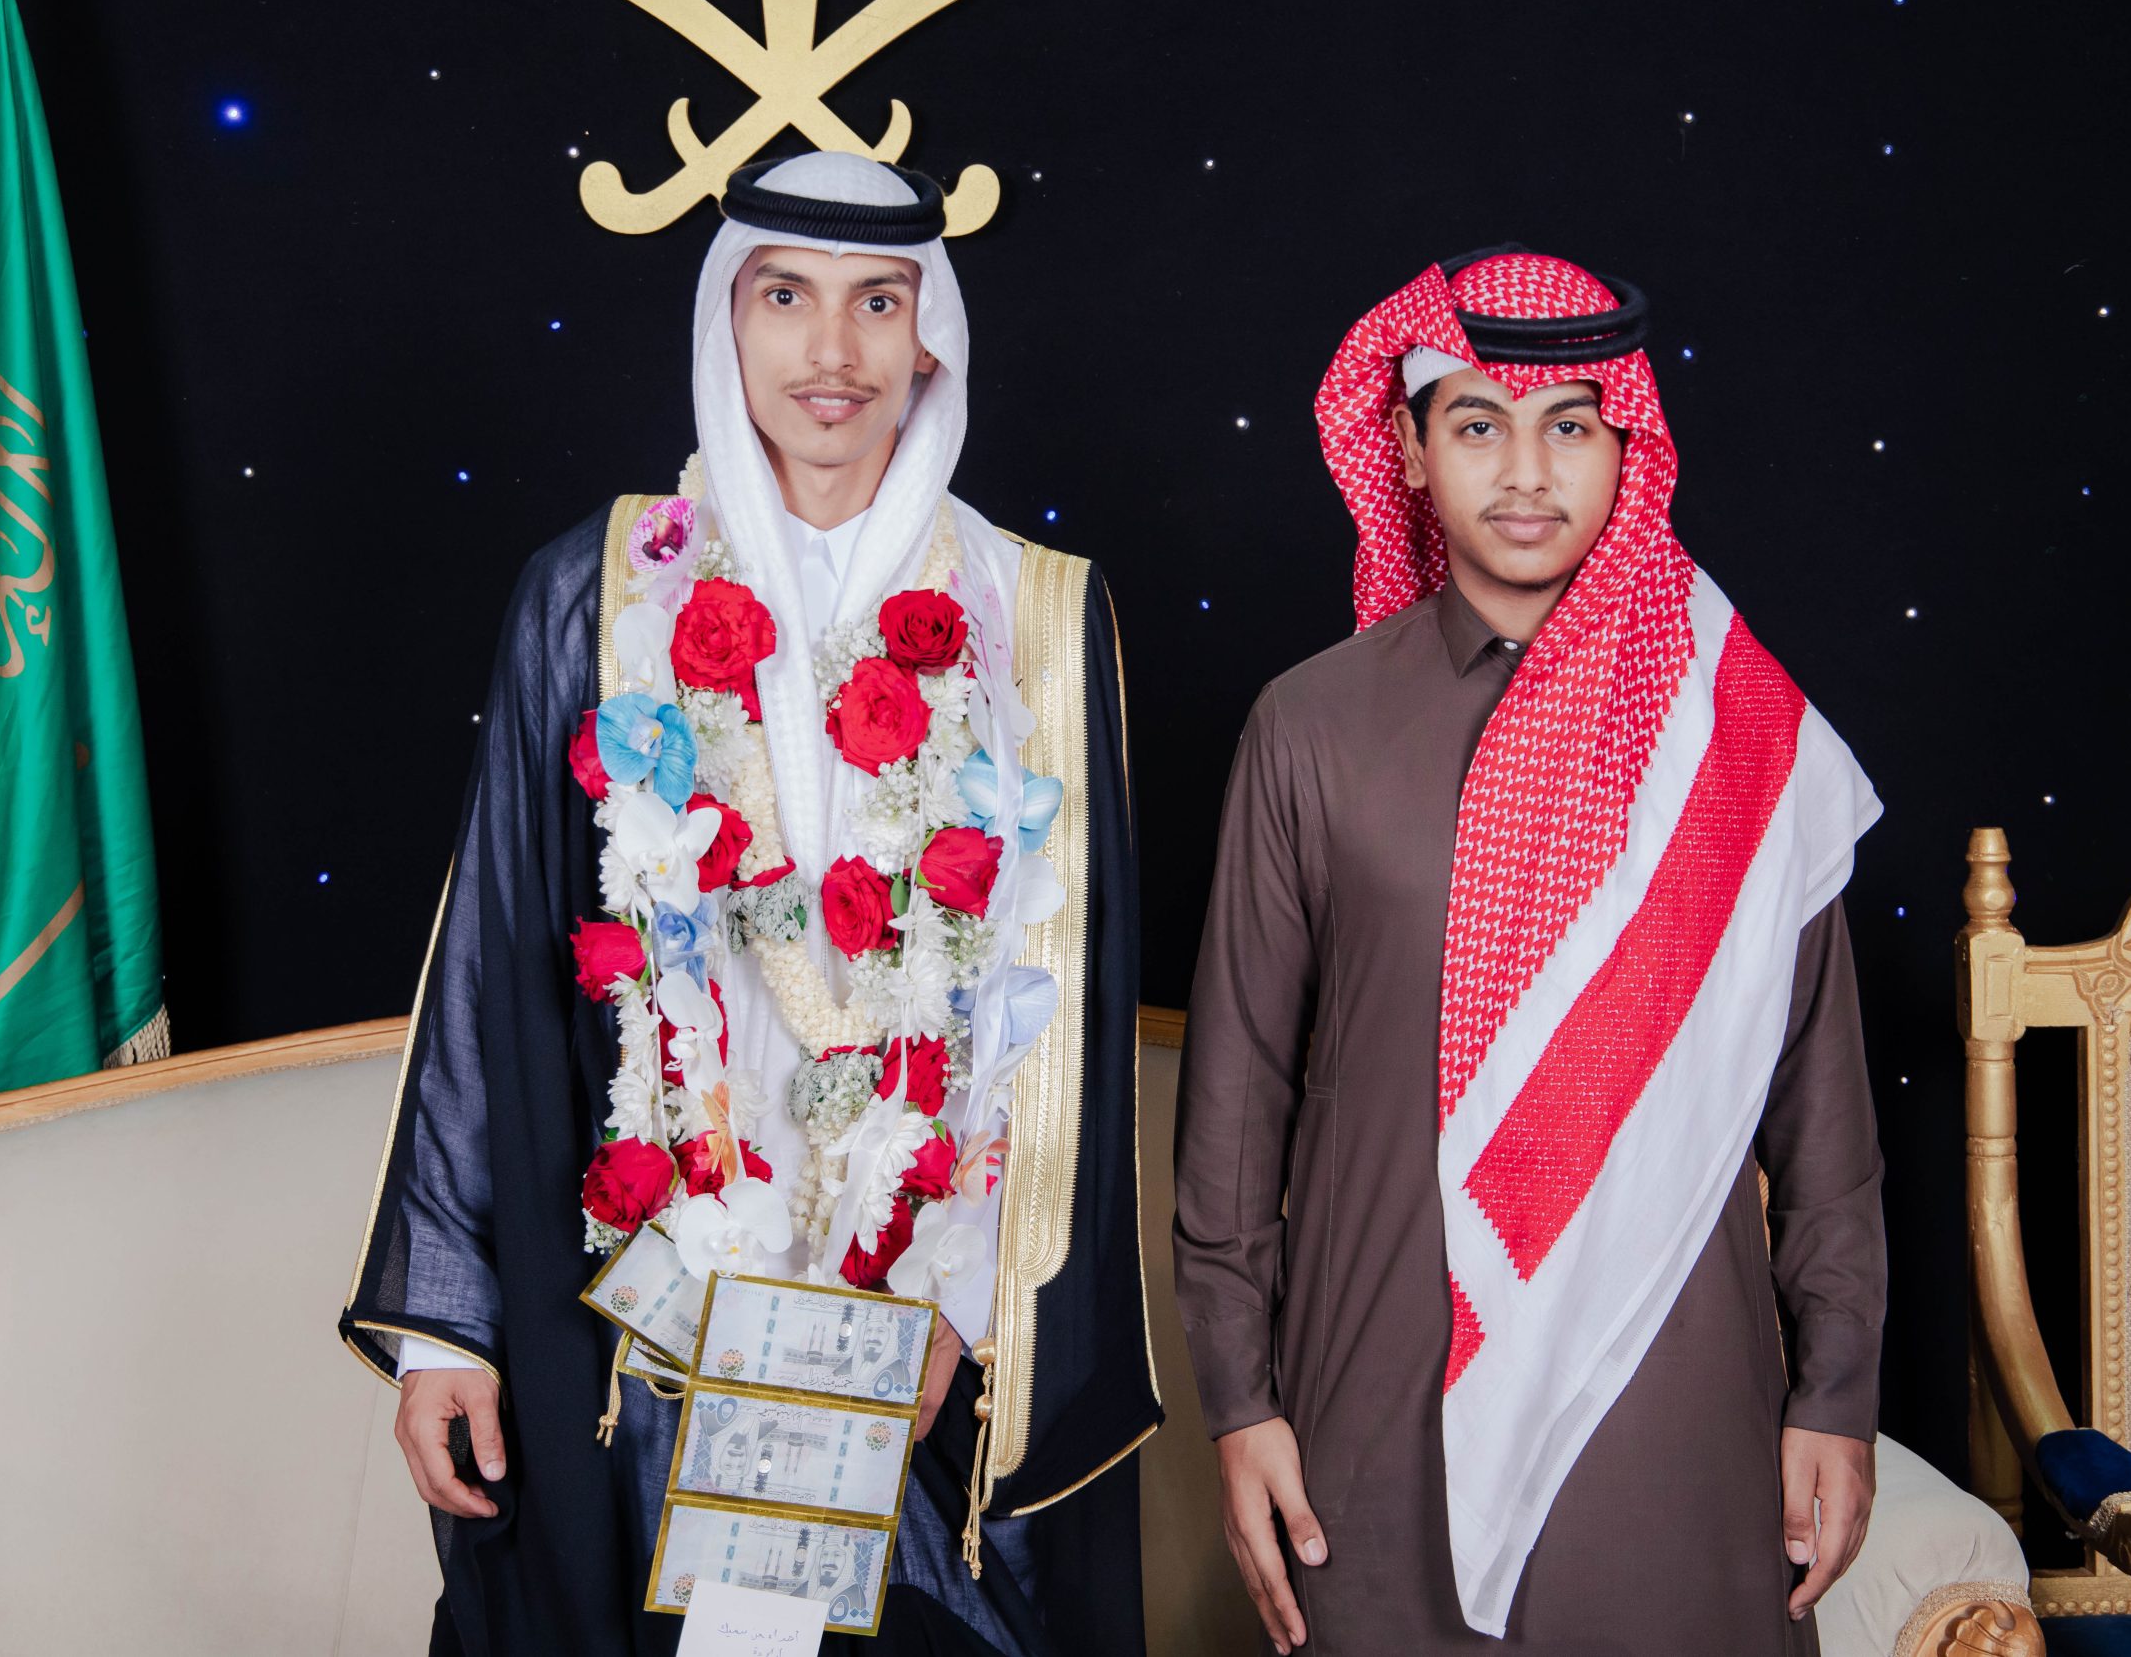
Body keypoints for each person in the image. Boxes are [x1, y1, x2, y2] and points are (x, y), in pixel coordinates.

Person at [340, 151, 1159, 1657]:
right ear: (727, 316)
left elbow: (1068, 1014)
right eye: (786, 297)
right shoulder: (596, 594)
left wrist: (969, 1303)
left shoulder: (1034, 612)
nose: (832, 352)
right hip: (646, 1314)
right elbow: (493, 967)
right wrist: (447, 1319)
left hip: (919, 1327)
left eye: (878, 301)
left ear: (932, 332)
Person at [1172, 246, 1887, 1653]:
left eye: (1569, 426)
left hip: (1672, 1394)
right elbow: (1236, 1100)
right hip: (1377, 1396)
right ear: (1408, 448)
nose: (1525, 472)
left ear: (1628, 447)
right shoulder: (1311, 728)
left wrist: (1837, 1394)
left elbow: (1824, 1114)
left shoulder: (1734, 738)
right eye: (1477, 423)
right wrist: (1239, 1399)